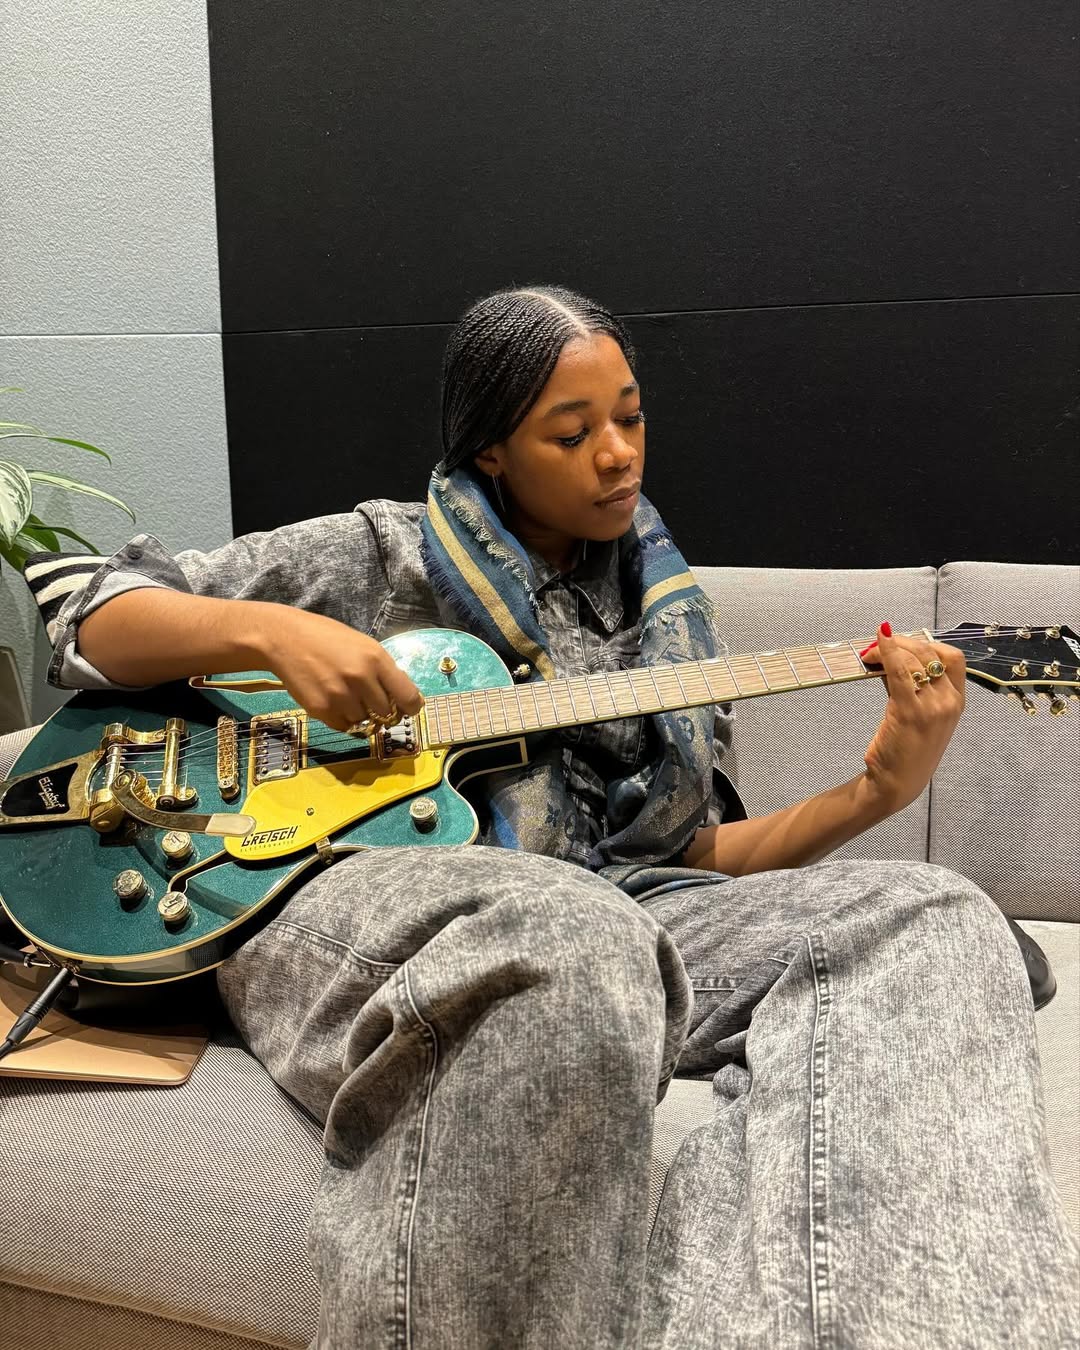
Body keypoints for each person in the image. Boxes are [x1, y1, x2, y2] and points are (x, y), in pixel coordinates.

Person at [21, 286, 1079, 1348]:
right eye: (572, 433)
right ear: (491, 451)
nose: (618, 454)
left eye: (631, 417)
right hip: (334, 893)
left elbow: (691, 857)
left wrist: (878, 794)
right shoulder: (382, 557)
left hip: (627, 915)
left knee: (939, 919)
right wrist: (266, 637)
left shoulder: (672, 623)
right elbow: (84, 603)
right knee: (575, 933)